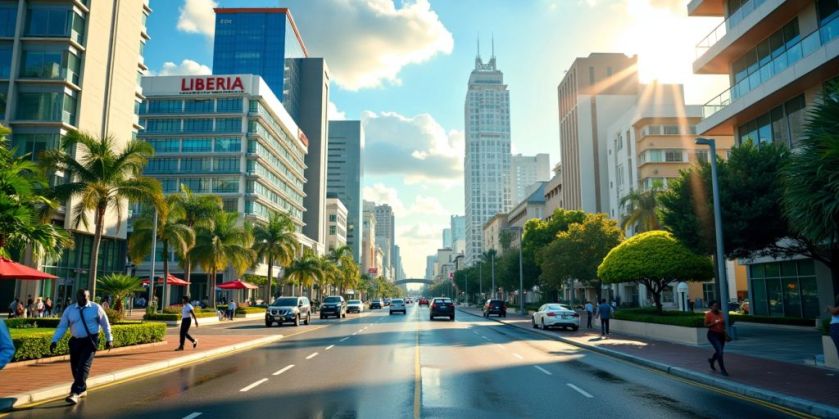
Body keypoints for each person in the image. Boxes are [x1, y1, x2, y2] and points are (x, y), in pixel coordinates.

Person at [50, 289, 113, 405]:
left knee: (84, 365)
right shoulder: (70, 310)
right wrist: (54, 340)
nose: (83, 299)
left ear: (89, 296)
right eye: (81, 296)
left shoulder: (96, 308)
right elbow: (62, 326)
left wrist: (109, 339)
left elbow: (105, 323)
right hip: (75, 341)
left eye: (86, 296)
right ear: (77, 297)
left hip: (90, 341)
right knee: (75, 368)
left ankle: (75, 392)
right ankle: (82, 388)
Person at [704, 301, 729, 376]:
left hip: (721, 334)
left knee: (719, 351)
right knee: (720, 351)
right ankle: (723, 369)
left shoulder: (720, 313)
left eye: (717, 306)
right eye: (714, 306)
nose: (716, 307)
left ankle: (712, 360)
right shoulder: (708, 314)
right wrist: (714, 323)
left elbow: (723, 325)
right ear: (711, 307)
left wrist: (725, 334)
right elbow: (705, 325)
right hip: (712, 334)